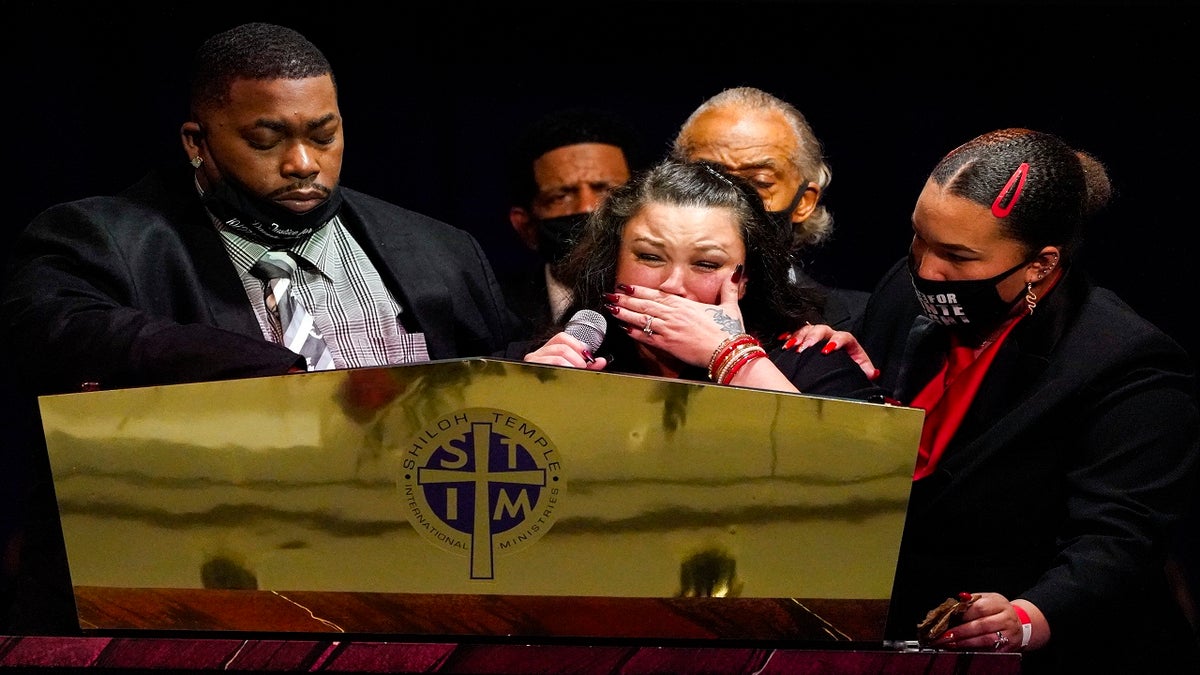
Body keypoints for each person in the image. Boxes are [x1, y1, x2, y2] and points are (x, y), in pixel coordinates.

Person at [0, 21, 519, 632]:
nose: (303, 164)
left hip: (411, 595)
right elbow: (50, 326)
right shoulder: (104, 238)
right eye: (266, 139)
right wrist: (249, 368)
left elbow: (502, 377)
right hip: (192, 604)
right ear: (198, 142)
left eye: (324, 136)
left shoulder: (439, 249)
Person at [848, 128, 1199, 672]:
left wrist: (1028, 616)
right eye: (919, 238)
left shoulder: (1126, 361)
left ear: (1041, 263)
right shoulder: (904, 287)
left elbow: (1120, 538)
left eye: (957, 256)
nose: (926, 269)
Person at [514, 157, 882, 400]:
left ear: (745, 277)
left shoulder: (810, 363)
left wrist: (734, 359)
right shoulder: (550, 362)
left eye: (706, 264)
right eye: (649, 256)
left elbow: (860, 485)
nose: (673, 284)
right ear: (613, 262)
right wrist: (531, 402)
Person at [670, 86, 870, 333]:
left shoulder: (864, 324)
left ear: (804, 202)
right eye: (709, 178)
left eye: (760, 183)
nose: (733, 199)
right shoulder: (616, 315)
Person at [501, 107, 641, 338]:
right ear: (525, 227)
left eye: (606, 190)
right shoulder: (500, 313)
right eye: (560, 197)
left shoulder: (673, 300)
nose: (587, 207)